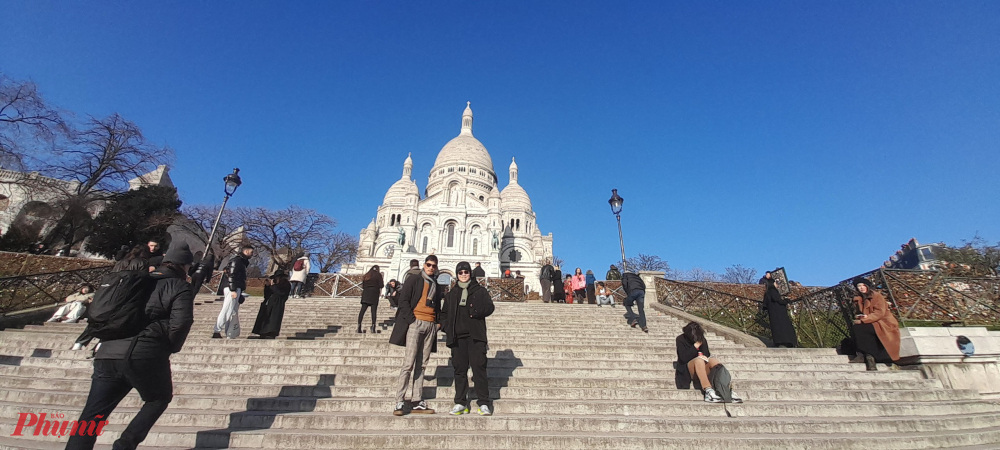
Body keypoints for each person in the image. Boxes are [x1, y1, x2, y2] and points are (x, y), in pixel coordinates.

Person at [65, 243, 195, 450]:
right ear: (185, 266)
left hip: (108, 351)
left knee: (93, 413)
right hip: (145, 351)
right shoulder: (179, 286)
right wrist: (169, 347)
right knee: (158, 399)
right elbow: (181, 323)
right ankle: (125, 444)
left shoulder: (135, 280)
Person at [389, 255, 443, 416]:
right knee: (408, 364)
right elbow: (404, 300)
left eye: (434, 265)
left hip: (430, 325)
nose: (431, 268)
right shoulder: (414, 279)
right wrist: (412, 320)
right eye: (428, 264)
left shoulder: (436, 285)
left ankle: (417, 400)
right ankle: (399, 400)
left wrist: (438, 324)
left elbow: (438, 306)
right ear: (423, 265)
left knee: (422, 365)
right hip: (416, 323)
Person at [441, 262, 496, 416]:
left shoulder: (480, 291)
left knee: (479, 368)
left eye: (466, 272)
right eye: (461, 272)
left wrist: (477, 311)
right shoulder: (451, 294)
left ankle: (483, 402)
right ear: (457, 274)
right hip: (457, 337)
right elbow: (443, 314)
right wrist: (445, 326)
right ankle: (460, 402)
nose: (463, 274)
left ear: (470, 273)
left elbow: (490, 307)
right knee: (459, 370)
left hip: (476, 336)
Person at [675, 321, 742, 403]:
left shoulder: (701, 339)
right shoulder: (680, 339)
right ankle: (708, 390)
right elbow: (683, 358)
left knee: (714, 361)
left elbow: (707, 354)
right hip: (688, 369)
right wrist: (695, 347)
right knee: (698, 360)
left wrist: (704, 356)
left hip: (702, 367)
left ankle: (726, 389)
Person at [851, 278, 901, 371]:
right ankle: (866, 356)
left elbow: (879, 313)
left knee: (862, 329)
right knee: (857, 328)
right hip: (871, 321)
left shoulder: (876, 296)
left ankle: (868, 357)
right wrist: (860, 317)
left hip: (883, 322)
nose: (861, 288)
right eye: (859, 286)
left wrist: (865, 319)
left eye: (863, 285)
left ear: (867, 286)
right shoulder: (859, 299)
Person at [213, 244, 252, 339]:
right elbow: (231, 275)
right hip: (232, 288)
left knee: (232, 311)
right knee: (227, 309)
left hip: (235, 287)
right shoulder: (237, 261)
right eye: (251, 252)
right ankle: (217, 330)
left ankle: (229, 332)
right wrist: (233, 289)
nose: (252, 254)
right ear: (246, 251)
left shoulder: (240, 262)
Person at [761, 271, 797, 348]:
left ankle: (781, 342)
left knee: (778, 327)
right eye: (776, 283)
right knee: (783, 327)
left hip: (774, 313)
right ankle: (786, 341)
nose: (777, 284)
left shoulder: (768, 292)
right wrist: (786, 301)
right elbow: (778, 300)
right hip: (779, 313)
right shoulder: (773, 291)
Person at [252, 270, 291, 339]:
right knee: (264, 318)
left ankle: (271, 332)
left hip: (277, 304)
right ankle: (262, 331)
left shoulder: (285, 284)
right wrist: (267, 287)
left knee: (274, 320)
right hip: (269, 303)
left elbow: (281, 293)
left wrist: (273, 286)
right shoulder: (274, 285)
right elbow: (267, 295)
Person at [359, 265, 385, 334]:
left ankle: (359, 326)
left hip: (366, 293)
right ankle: (373, 327)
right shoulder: (378, 275)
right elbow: (381, 285)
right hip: (374, 294)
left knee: (362, 311)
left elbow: (363, 286)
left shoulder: (367, 275)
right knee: (373, 311)